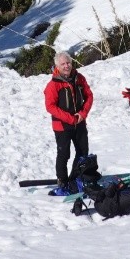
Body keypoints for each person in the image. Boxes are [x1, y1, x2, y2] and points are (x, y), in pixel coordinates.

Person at [44, 50, 93, 196]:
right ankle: (63, 182)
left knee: (83, 152)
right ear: (57, 66)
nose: (67, 66)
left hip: (80, 122)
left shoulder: (79, 78)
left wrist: (82, 114)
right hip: (62, 126)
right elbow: (50, 106)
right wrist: (70, 118)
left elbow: (89, 96)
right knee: (64, 154)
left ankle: (76, 178)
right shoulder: (53, 85)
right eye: (63, 64)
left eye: (68, 63)